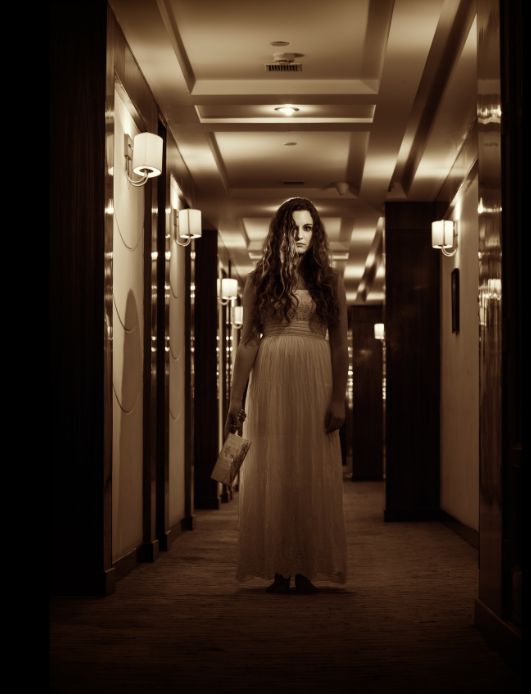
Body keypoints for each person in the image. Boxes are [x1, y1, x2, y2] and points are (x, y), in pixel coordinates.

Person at [224, 197, 348, 594]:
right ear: (281, 230)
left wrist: (338, 398)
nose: (301, 235)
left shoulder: (329, 279)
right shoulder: (258, 278)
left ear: (316, 233)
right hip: (272, 375)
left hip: (315, 375)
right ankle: (278, 565)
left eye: (308, 228)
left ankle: (308, 565)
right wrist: (235, 401)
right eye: (294, 227)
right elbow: (246, 343)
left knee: (310, 465)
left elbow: (340, 345)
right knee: (274, 464)